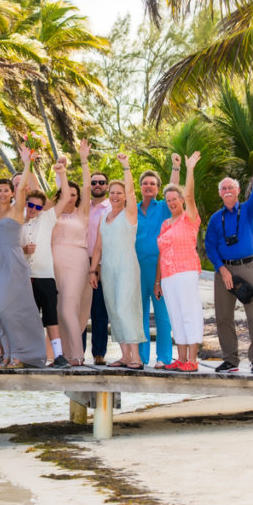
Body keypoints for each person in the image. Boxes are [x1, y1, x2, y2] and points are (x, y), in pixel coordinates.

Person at [204, 146, 253, 374]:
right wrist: (221, 269)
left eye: (231, 187)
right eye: (223, 188)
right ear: (220, 193)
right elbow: (210, 246)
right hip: (224, 271)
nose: (227, 190)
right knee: (223, 317)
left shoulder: (248, 210)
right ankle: (231, 360)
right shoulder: (215, 219)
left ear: (237, 189)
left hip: (247, 267)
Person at [0, 147, 47, 368]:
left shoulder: (17, 209)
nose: (2, 193)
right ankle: (8, 353)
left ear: (12, 192)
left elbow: (23, 190)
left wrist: (26, 162)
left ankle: (21, 354)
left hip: (14, 261)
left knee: (13, 309)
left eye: (6, 190)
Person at [89, 154, 146, 369]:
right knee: (113, 310)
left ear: (124, 196)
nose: (114, 196)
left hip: (127, 268)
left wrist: (126, 167)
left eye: (118, 193)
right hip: (108, 270)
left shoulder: (130, 214)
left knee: (125, 308)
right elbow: (98, 247)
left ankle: (136, 358)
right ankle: (123, 356)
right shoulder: (104, 217)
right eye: (112, 193)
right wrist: (93, 271)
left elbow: (132, 191)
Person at [155, 152, 203, 372]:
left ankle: (192, 361)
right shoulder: (165, 223)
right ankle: (181, 359)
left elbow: (192, 196)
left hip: (186, 271)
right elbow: (161, 254)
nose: (172, 202)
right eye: (168, 200)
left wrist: (190, 168)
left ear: (182, 200)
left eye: (175, 199)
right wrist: (158, 282)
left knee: (189, 313)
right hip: (167, 276)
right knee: (175, 315)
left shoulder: (189, 218)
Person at [49, 140, 92, 366]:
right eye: (69, 194)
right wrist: (61, 173)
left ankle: (77, 354)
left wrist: (83, 159)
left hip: (77, 260)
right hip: (54, 262)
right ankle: (61, 353)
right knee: (57, 308)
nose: (72, 196)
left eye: (75, 194)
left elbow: (86, 187)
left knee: (68, 306)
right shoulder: (53, 213)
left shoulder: (82, 214)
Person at [135, 158, 181, 368]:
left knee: (162, 315)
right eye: (145, 183)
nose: (149, 186)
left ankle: (163, 357)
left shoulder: (163, 207)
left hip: (159, 268)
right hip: (136, 267)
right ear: (140, 186)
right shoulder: (132, 209)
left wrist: (176, 167)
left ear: (158, 188)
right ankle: (142, 357)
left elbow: (174, 187)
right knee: (140, 314)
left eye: (153, 184)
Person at [22, 179, 69, 369]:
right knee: (28, 319)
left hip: (45, 276)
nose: (33, 209)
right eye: (30, 205)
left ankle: (59, 356)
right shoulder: (16, 221)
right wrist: (23, 249)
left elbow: (65, 197)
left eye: (37, 207)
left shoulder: (47, 218)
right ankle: (31, 355)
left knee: (51, 317)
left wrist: (62, 173)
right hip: (24, 278)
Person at [84, 169, 112, 365]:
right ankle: (77, 352)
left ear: (107, 186)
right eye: (94, 182)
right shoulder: (81, 207)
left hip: (102, 263)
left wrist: (99, 265)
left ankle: (99, 354)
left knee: (100, 311)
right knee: (79, 309)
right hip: (79, 261)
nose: (97, 185)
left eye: (101, 182)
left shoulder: (111, 208)